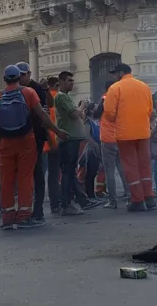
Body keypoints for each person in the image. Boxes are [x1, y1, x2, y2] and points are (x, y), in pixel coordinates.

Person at [0, 65, 66, 230]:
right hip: (26, 141)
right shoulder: (28, 93)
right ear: (19, 77)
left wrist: (0, 142)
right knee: (25, 178)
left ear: (4, 79)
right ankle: (24, 216)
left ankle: (8, 218)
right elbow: (42, 115)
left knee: (7, 180)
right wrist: (57, 131)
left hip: (5, 143)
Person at [103, 63, 155, 212]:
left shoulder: (115, 88)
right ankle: (149, 197)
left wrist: (119, 119)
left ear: (121, 73)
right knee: (144, 165)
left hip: (125, 134)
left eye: (115, 73)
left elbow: (109, 113)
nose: (114, 76)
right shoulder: (144, 86)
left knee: (131, 167)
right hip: (143, 132)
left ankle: (137, 201)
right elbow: (150, 109)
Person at [54, 71, 100, 215]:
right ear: (61, 82)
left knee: (70, 172)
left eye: (72, 81)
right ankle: (66, 205)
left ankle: (82, 201)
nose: (72, 83)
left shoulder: (64, 97)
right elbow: (76, 114)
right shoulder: (61, 97)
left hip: (71, 139)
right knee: (68, 172)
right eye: (69, 80)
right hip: (69, 140)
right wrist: (83, 106)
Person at [16, 62, 52, 224]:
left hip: (36, 136)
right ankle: (25, 210)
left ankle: (38, 210)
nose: (21, 77)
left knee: (37, 173)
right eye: (19, 74)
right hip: (20, 137)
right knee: (24, 175)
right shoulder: (16, 89)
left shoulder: (36, 88)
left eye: (24, 74)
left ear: (29, 74)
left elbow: (46, 109)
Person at [95, 80, 128, 209]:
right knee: (122, 168)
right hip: (120, 137)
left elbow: (96, 114)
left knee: (109, 170)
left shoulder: (105, 98)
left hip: (108, 139)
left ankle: (112, 200)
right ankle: (128, 194)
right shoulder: (121, 99)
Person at [43, 76, 62, 214]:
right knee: (54, 176)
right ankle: (55, 204)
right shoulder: (58, 99)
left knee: (40, 176)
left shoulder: (42, 102)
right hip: (53, 143)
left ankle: (35, 207)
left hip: (45, 144)